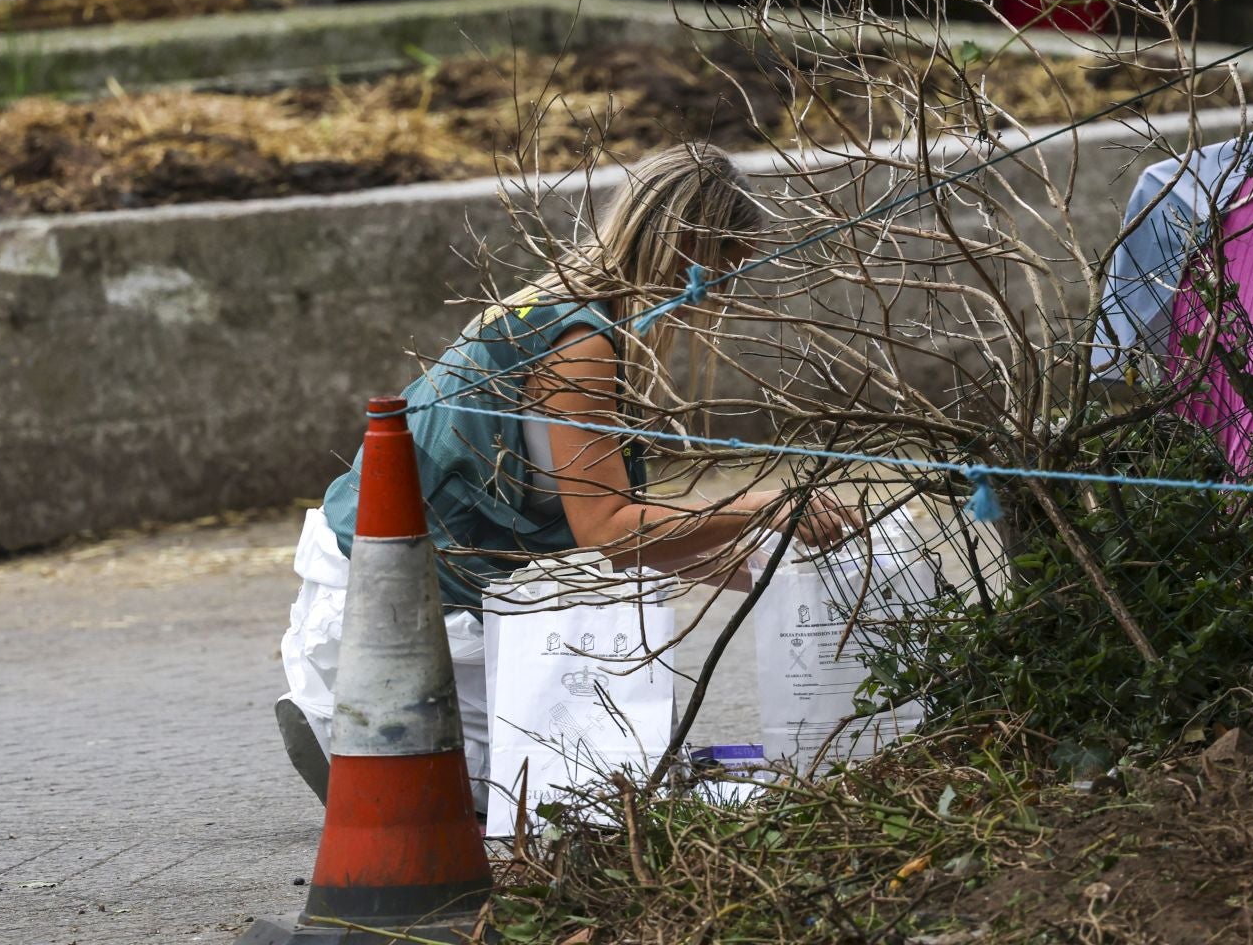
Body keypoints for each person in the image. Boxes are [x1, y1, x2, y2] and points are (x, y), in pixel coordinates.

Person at [274, 142, 867, 808]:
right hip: (397, 600)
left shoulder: (570, 304)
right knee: (586, 784)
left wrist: (771, 568)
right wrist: (762, 506)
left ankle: (367, 734)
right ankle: (358, 738)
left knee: (633, 746)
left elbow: (625, 531)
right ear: (689, 249)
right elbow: (609, 530)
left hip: (386, 565)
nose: (723, 293)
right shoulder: (582, 345)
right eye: (726, 269)